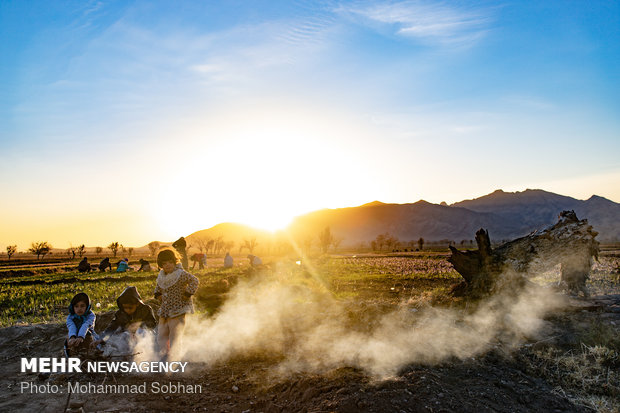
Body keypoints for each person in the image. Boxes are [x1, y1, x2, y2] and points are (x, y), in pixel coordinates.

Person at [154, 248, 199, 361]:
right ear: (161, 265)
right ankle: (165, 355)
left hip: (178, 308)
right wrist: (157, 293)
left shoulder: (180, 274)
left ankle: (175, 358)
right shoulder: (161, 276)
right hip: (165, 309)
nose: (168, 265)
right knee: (161, 334)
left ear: (175, 262)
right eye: (164, 263)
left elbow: (195, 281)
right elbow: (158, 286)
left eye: (170, 262)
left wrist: (188, 293)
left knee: (175, 335)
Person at [64, 292, 100, 357]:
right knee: (68, 338)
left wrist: (81, 336)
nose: (79, 309)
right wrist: (72, 337)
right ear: (73, 307)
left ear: (87, 307)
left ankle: (88, 353)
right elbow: (71, 326)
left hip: (87, 334)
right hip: (74, 335)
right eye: (76, 306)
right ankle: (72, 354)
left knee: (89, 338)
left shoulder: (91, 315)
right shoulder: (70, 317)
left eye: (82, 306)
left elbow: (86, 325)